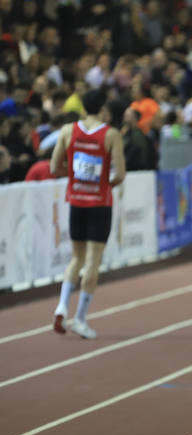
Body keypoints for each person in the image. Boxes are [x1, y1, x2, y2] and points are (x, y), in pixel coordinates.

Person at [49, 89, 126, 339]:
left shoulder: (68, 131)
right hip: (99, 204)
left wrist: (74, 178)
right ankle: (80, 318)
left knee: (76, 257)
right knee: (93, 260)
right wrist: (105, 184)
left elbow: (53, 166)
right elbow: (120, 174)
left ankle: (61, 305)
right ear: (102, 108)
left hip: (77, 201)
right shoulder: (111, 134)